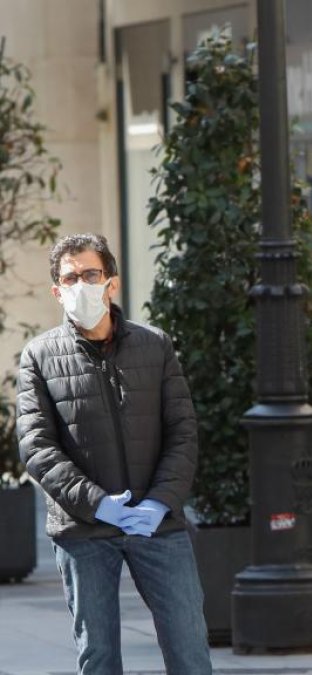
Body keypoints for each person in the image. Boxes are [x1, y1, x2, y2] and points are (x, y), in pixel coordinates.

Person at [16, 233, 211, 674]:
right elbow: (36, 445)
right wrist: (98, 504)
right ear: (56, 290)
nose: (81, 284)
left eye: (90, 274)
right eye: (70, 277)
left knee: (190, 649)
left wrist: (161, 501)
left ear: (111, 283)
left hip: (158, 525)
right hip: (83, 531)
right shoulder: (39, 356)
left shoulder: (155, 345)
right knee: (98, 656)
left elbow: (182, 431)